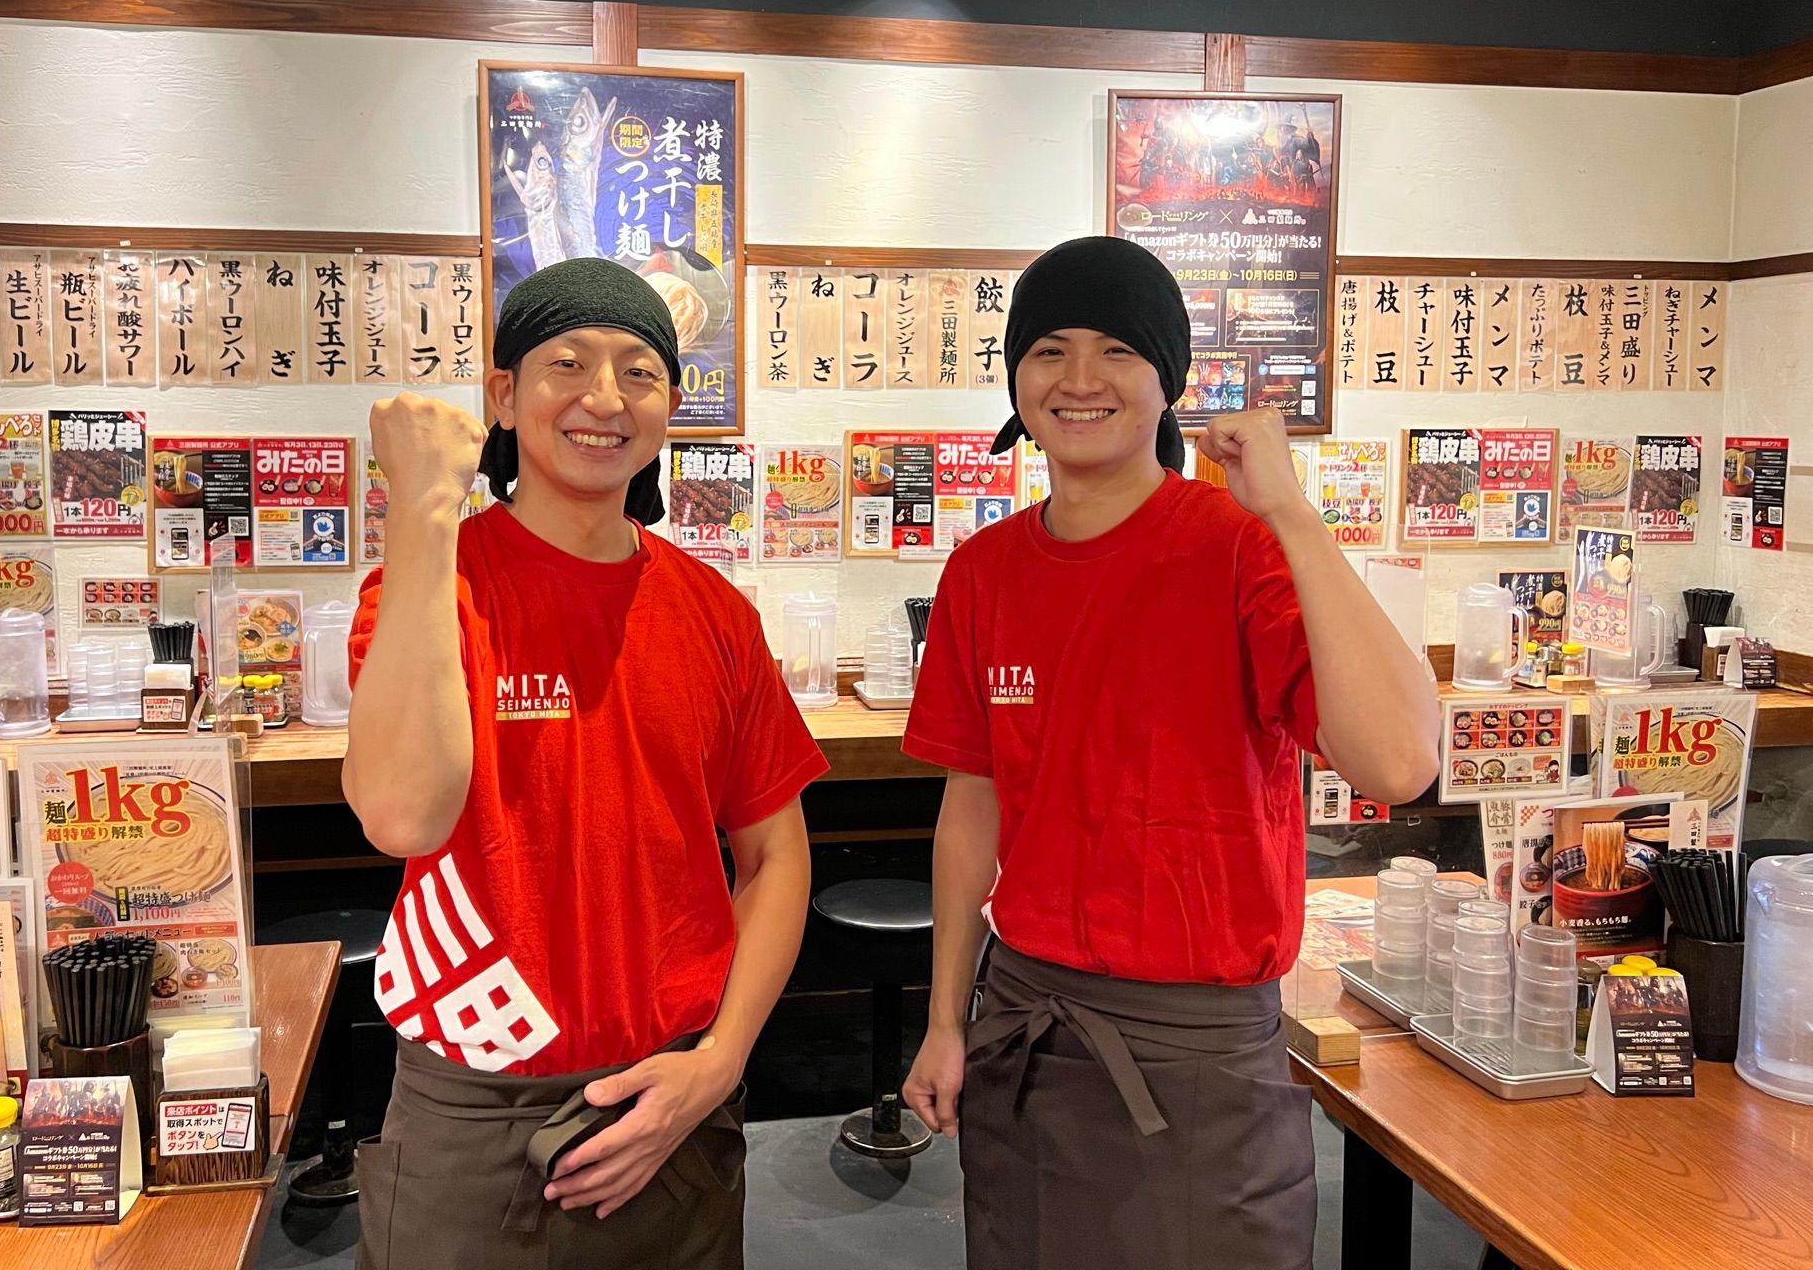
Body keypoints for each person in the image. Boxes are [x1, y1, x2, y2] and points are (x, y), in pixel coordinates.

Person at [899, 235, 1438, 1269]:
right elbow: (973, 806)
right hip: (1025, 1026)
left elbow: (1397, 763)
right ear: (1015, 378)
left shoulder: (1241, 545)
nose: (1080, 380)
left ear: (1168, 379)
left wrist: (1290, 513)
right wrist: (944, 1020)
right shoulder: (983, 572)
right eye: (1049, 350)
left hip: (1197, 1053)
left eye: (1117, 350)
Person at [344, 258, 827, 1269]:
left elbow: (775, 857)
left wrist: (718, 1063)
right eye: (567, 363)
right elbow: (402, 816)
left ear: (669, 408)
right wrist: (423, 511)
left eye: (639, 372)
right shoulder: (433, 586)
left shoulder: (714, 613)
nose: (605, 398)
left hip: (673, 1100)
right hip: (475, 1107)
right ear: (503, 394)